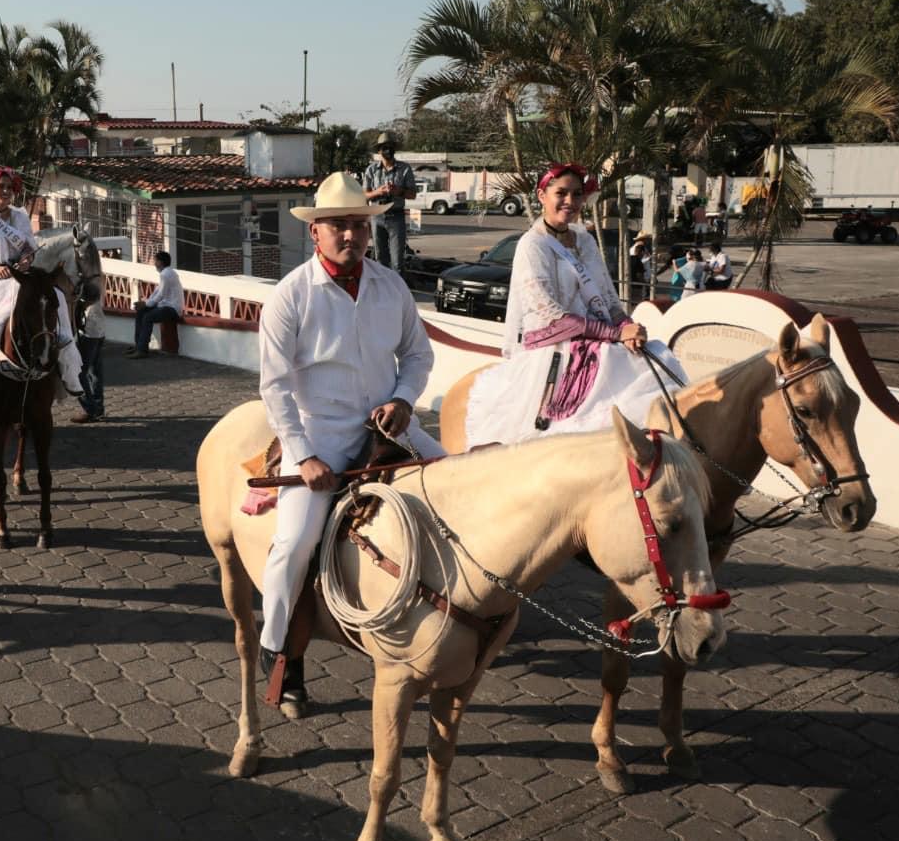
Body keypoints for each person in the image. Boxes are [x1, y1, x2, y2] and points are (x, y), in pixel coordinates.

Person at [258, 172, 442, 699]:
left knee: (454, 477)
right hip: (323, 435)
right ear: (314, 232)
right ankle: (277, 649)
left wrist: (405, 399)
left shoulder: (392, 285)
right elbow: (273, 389)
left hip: (389, 428)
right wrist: (305, 456)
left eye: (359, 225)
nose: (350, 235)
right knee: (294, 544)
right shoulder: (291, 295)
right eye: (337, 225)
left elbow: (418, 354)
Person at [463, 163, 688, 448]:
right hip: (555, 344)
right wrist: (615, 334)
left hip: (598, 338)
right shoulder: (533, 245)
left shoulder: (585, 240)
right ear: (542, 195)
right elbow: (551, 317)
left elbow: (607, 297)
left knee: (657, 356)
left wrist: (626, 326)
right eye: (561, 193)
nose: (570, 201)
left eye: (577, 194)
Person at [0, 166, 85, 398]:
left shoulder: (20, 215)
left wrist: (25, 260)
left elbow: (30, 247)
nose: (6, 191)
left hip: (22, 274)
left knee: (56, 295)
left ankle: (66, 357)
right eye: (1, 187)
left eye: (10, 188)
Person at [360, 132, 417, 273]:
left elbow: (413, 194)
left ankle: (398, 293)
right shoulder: (371, 170)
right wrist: (378, 192)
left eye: (391, 147)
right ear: (379, 151)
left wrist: (398, 191)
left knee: (398, 262)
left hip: (396, 216)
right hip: (376, 217)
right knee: (380, 259)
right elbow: (364, 195)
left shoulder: (404, 169)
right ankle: (382, 293)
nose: (388, 150)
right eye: (384, 147)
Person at [126, 251, 183, 357]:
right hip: (165, 306)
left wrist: (146, 304)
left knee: (148, 317)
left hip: (172, 309)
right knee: (141, 312)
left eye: (155, 260)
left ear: (161, 262)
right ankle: (139, 345)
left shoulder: (166, 274)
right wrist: (145, 304)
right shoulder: (166, 273)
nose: (154, 263)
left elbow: (160, 295)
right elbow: (156, 293)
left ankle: (142, 350)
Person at [72, 281, 106, 424]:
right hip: (100, 336)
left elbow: (81, 327)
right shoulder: (97, 302)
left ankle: (90, 410)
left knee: (79, 373)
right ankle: (98, 409)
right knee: (95, 372)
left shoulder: (89, 309)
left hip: (89, 338)